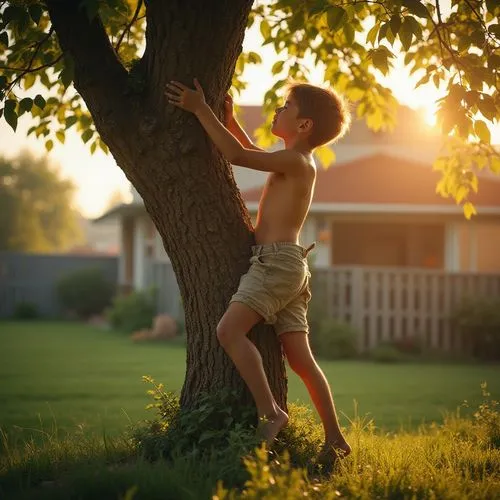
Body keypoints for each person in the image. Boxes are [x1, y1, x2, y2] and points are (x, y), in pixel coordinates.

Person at [165, 78, 352, 463]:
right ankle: (334, 437)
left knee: (227, 331)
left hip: (276, 263)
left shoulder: (296, 161)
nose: (278, 111)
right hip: (290, 265)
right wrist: (230, 121)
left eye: (286, 107)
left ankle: (271, 412)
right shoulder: (295, 161)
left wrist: (201, 108)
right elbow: (248, 149)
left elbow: (236, 156)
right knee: (300, 360)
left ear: (304, 126)